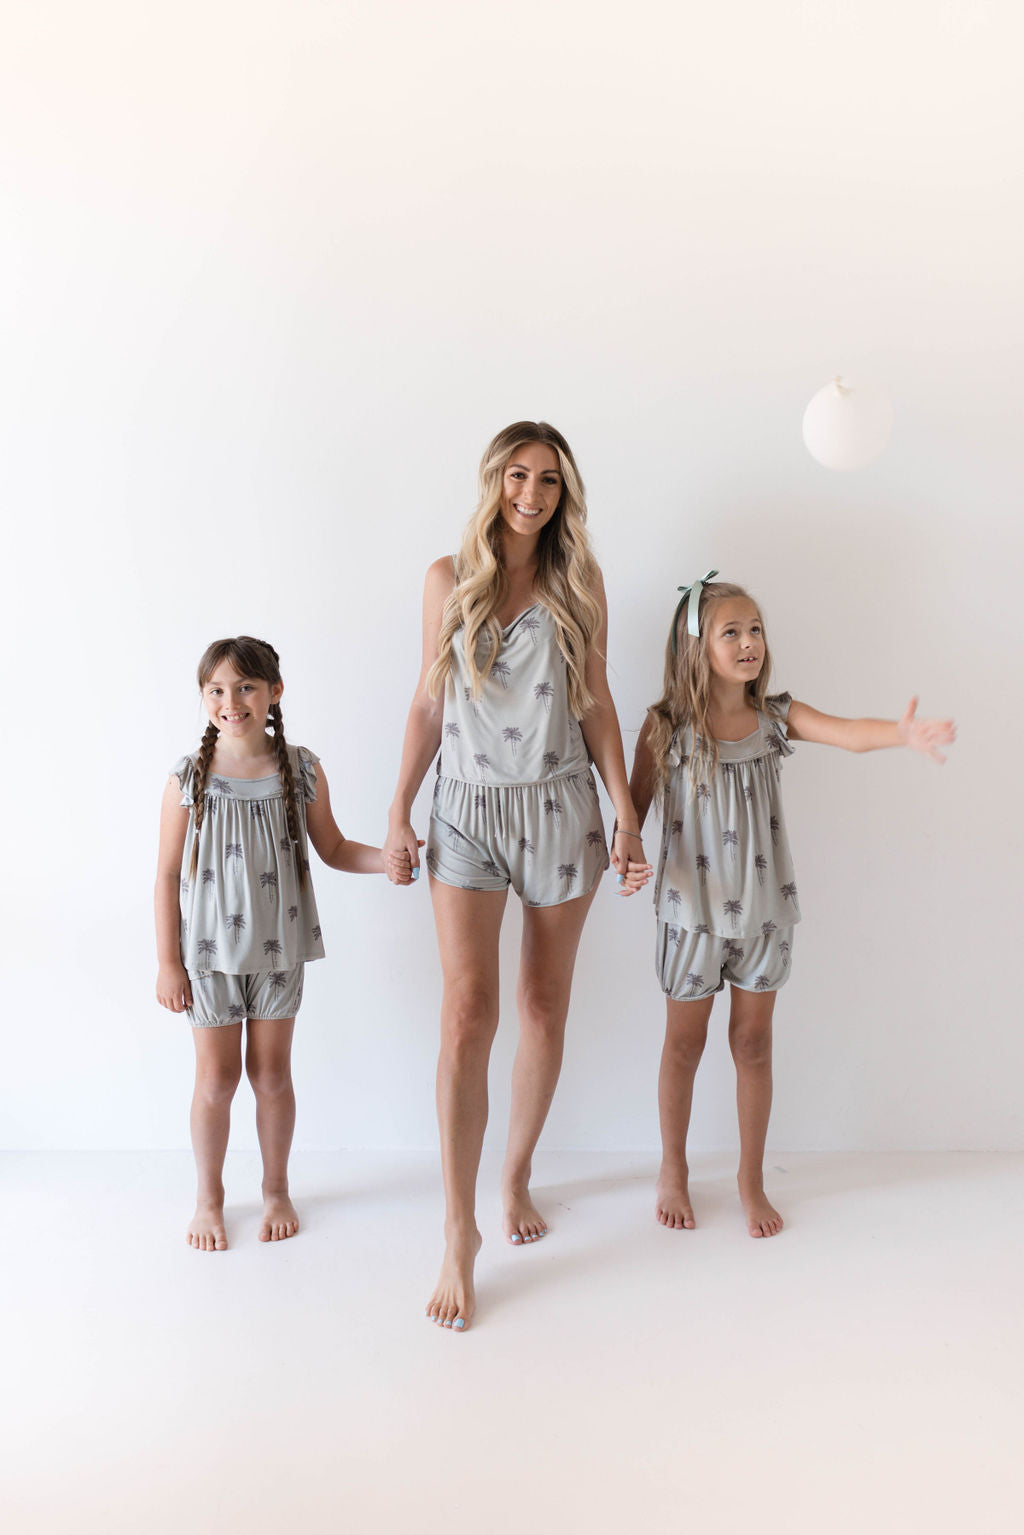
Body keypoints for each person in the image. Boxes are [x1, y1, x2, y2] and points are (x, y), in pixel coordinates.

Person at [385, 421, 651, 1330]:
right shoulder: (446, 578)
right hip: (463, 808)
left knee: (542, 1006)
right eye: (516, 474)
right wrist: (397, 808)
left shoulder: (581, 584)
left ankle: (515, 1172)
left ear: (563, 489)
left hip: (558, 809)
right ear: (493, 478)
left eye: (547, 479)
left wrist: (624, 809)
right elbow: (428, 697)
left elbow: (598, 700)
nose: (530, 493)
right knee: (468, 1011)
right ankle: (458, 1227)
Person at [629, 573, 955, 1238]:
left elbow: (847, 732)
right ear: (696, 646)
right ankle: (673, 1167)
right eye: (732, 632)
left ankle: (750, 1178)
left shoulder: (775, 715)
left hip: (763, 911)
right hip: (690, 916)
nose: (750, 642)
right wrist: (626, 854)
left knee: (752, 1042)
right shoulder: (664, 726)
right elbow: (632, 812)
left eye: (755, 630)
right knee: (683, 1046)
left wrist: (902, 733)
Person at [155, 636, 400, 1251]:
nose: (230, 701)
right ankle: (209, 1199)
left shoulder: (301, 767)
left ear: (273, 693)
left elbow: (337, 849)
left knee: (271, 1075)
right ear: (203, 697)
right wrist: (167, 963)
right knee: (215, 1079)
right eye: (216, 689)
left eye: (245, 687)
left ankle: (276, 1189)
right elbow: (164, 875)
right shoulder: (189, 777)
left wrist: (388, 860)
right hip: (207, 956)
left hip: (280, 950)